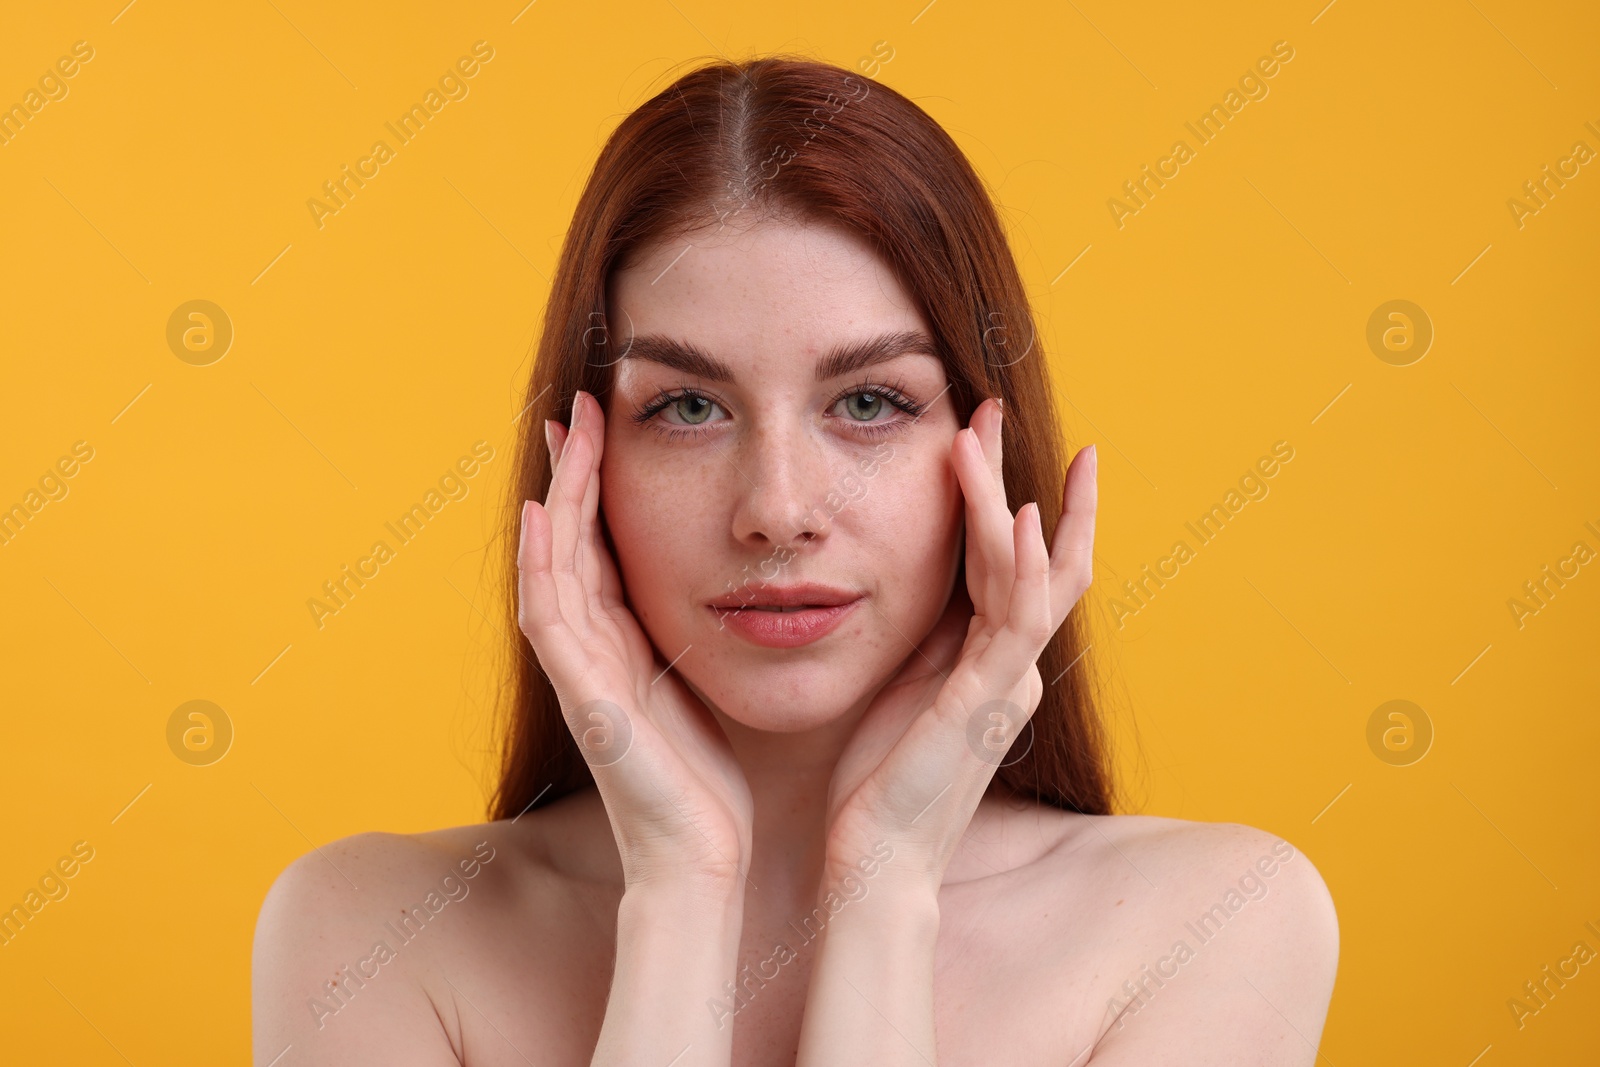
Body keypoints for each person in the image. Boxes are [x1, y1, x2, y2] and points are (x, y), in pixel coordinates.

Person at [252, 54, 1338, 1066]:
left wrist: (884, 887)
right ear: (581, 464)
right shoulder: (369, 933)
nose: (775, 510)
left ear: (987, 452)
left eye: (869, 402)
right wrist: (679, 888)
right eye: (685, 406)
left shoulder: (1212, 920)